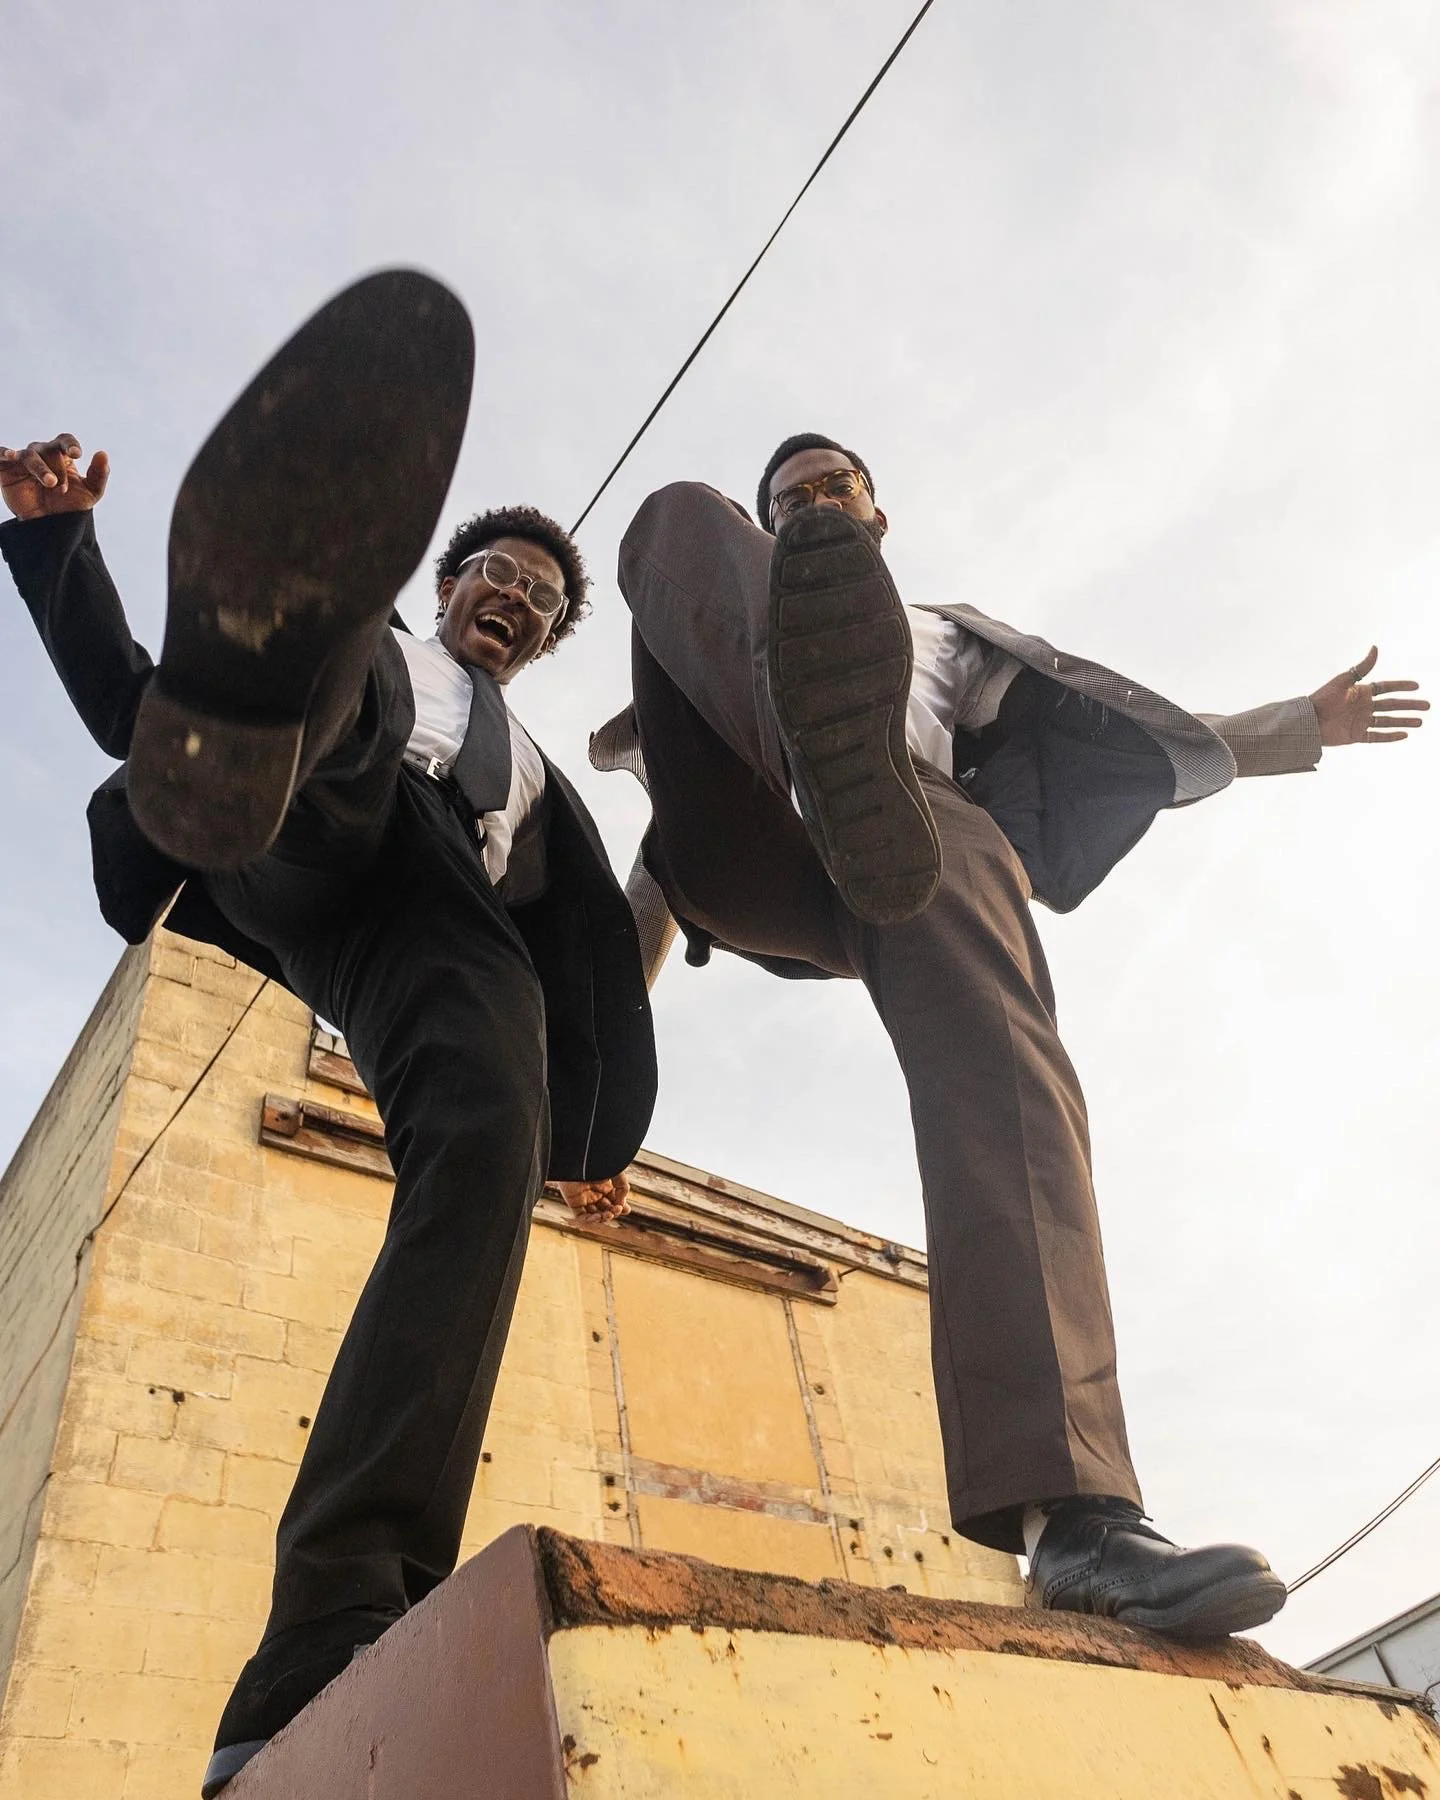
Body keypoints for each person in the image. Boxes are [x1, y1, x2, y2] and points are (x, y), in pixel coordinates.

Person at [592, 432, 1426, 1641]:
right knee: (670, 513)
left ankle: (1075, 1523)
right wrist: (598, 1077)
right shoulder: (718, 579)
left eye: (833, 490)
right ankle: (819, 751)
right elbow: (658, 875)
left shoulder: (947, 636)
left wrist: (1299, 722)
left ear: (877, 516)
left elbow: (1135, 728)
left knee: (1009, 1089)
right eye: (788, 501)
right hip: (754, 826)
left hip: (924, 829)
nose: (810, 503)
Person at [0, 271, 656, 1797]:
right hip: (314, 801)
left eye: (539, 603)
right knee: (309, 700)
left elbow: (587, 968)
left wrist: (584, 1134)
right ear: (444, 583)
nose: (512, 597)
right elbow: (136, 710)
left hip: (444, 929)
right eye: (493, 573)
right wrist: (52, 547)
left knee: (485, 1150)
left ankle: (334, 1623)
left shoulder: (546, 781)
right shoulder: (397, 649)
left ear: (547, 645)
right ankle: (271, 695)